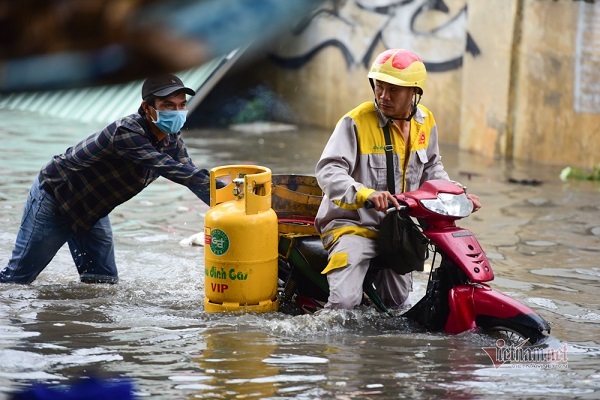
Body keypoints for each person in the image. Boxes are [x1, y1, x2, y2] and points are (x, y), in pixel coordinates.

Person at [1, 73, 218, 284]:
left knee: (102, 283)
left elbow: (191, 174)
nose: (177, 111)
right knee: (17, 280)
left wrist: (229, 201)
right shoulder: (127, 132)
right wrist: (225, 195)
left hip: (91, 208)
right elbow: (173, 170)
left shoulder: (171, 137)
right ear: (147, 108)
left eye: (181, 105)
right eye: (168, 105)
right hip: (55, 199)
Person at [314, 49, 481, 310]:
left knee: (398, 304)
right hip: (352, 225)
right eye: (379, 87)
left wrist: (456, 195)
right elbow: (328, 170)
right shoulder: (355, 122)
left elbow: (433, 168)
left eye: (393, 90)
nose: (383, 96)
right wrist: (364, 194)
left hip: (398, 229)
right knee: (344, 303)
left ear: (414, 92)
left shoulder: (425, 121)